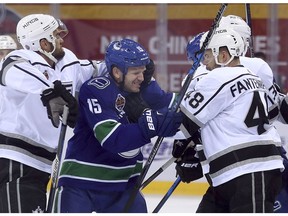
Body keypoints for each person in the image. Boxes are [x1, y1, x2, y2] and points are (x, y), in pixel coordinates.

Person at [52, 38, 182, 213]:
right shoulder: (96, 89)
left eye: (143, 72)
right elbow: (113, 139)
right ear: (117, 72)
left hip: (124, 186)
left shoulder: (144, 89)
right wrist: (153, 124)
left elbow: (180, 109)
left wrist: (188, 138)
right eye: (135, 72)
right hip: (82, 183)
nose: (141, 78)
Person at [0, 14, 104, 213]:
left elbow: (98, 69)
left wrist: (126, 68)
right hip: (15, 161)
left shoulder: (68, 62)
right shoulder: (20, 60)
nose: (62, 40)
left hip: (41, 163)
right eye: (56, 36)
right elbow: (10, 71)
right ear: (43, 43)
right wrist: (50, 92)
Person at [172, 27, 284, 213]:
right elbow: (225, 123)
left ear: (223, 56)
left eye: (206, 57)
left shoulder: (218, 77)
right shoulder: (253, 76)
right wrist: (197, 154)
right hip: (235, 174)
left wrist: (149, 120)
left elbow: (182, 123)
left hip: (249, 171)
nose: (204, 64)